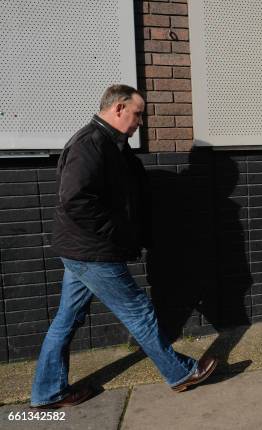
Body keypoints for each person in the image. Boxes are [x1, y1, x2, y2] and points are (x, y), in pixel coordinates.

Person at [30, 85, 218, 409]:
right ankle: (180, 373)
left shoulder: (112, 145)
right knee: (139, 312)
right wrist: (116, 232)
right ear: (119, 109)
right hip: (93, 251)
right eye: (138, 113)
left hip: (82, 250)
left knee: (66, 319)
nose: (140, 122)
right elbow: (75, 200)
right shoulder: (90, 144)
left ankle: (47, 393)